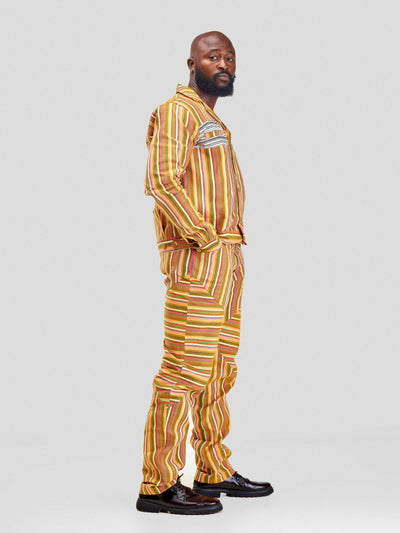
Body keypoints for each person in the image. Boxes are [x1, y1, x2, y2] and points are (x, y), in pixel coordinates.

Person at [136, 31, 273, 515]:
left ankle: (213, 468)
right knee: (183, 371)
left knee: (217, 370)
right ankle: (157, 484)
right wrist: (203, 236)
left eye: (230, 57)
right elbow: (161, 180)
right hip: (199, 258)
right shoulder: (178, 111)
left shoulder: (210, 118)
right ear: (192, 64)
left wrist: (224, 246)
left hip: (228, 259)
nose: (224, 64)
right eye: (213, 56)